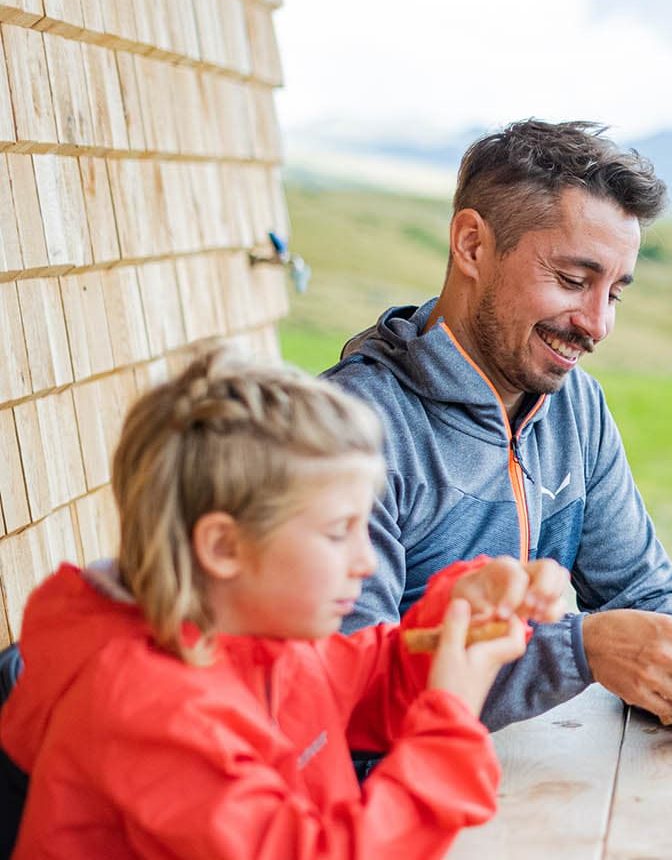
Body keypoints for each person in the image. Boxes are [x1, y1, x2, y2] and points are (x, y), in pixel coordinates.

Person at [0, 349, 570, 857]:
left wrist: (460, 612)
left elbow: (373, 677)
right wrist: (449, 717)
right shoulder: (151, 713)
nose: (366, 562)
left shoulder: (260, 639)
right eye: (337, 532)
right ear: (224, 547)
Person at [322, 119, 672, 738]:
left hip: (522, 778)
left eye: (615, 292)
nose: (597, 325)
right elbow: (343, 688)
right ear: (472, 246)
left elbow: (641, 593)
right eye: (572, 280)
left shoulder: (577, 408)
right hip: (376, 804)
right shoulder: (347, 431)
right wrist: (582, 650)